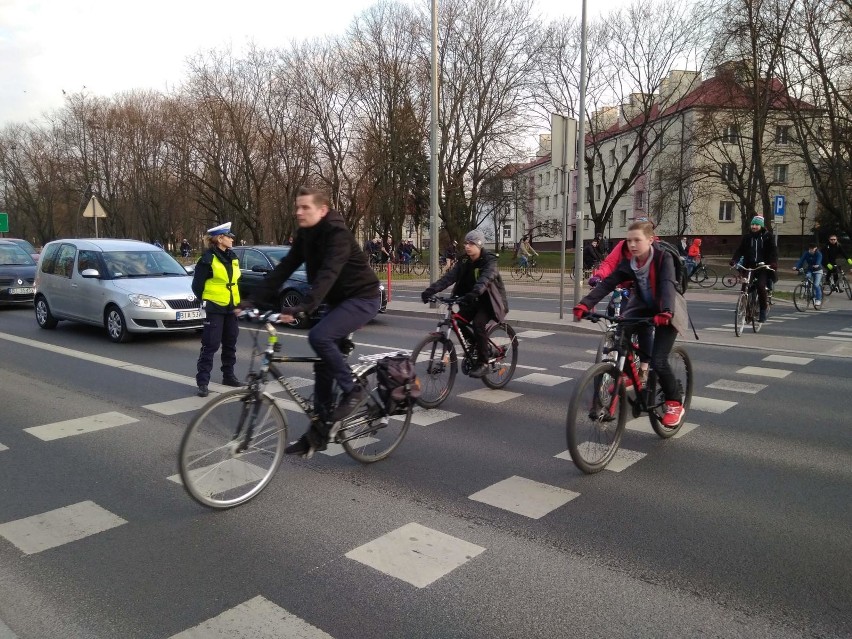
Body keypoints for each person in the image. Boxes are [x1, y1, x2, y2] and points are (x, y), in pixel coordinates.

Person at [251, 186, 381, 458]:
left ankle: (354, 390)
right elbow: (285, 268)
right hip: (337, 300)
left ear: (322, 210)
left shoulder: (338, 235)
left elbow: (329, 273)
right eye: (296, 207)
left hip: (362, 298)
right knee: (323, 365)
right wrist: (252, 300)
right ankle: (318, 434)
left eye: (305, 207)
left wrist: (305, 306)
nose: (298, 212)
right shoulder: (306, 235)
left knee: (319, 337)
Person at [573, 220, 689, 429]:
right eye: (629, 241)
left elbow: (666, 285)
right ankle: (624, 373)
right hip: (643, 305)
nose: (632, 245)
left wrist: (666, 312)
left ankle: (674, 403)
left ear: (650, 240)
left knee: (659, 360)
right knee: (621, 336)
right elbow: (609, 282)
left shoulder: (662, 258)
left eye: (637, 240)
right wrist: (585, 304)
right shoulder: (630, 263)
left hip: (667, 308)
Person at [420, 229, 508, 378]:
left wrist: (474, 293)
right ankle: (478, 346)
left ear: (479, 245)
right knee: (458, 321)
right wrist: (431, 290)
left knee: (478, 324)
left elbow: (486, 278)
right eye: (466, 243)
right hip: (471, 299)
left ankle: (484, 363)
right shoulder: (465, 260)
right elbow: (449, 277)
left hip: (489, 302)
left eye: (471, 243)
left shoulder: (489, 260)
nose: (467, 246)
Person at [192, 222, 243, 398]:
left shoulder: (233, 257)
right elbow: (197, 285)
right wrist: (206, 300)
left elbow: (235, 283)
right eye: (229, 236)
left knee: (230, 343)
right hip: (215, 307)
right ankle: (203, 382)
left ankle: (228, 376)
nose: (232, 239)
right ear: (220, 239)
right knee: (210, 344)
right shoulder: (207, 259)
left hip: (231, 307)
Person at [730, 215, 777, 323]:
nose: (754, 227)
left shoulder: (768, 236)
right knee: (745, 285)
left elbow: (773, 251)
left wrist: (773, 263)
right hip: (749, 266)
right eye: (753, 224)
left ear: (761, 226)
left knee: (761, 286)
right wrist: (734, 260)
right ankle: (743, 307)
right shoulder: (747, 237)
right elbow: (740, 250)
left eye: (756, 225)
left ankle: (762, 311)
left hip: (762, 267)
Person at [794, 243, 824, 309]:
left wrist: (817, 264)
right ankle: (807, 290)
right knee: (807, 277)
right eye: (810, 249)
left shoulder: (818, 254)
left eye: (812, 249)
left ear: (815, 248)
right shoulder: (806, 253)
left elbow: (819, 260)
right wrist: (796, 266)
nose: (811, 250)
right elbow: (801, 260)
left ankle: (818, 299)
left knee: (816, 285)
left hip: (818, 271)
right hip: (810, 270)